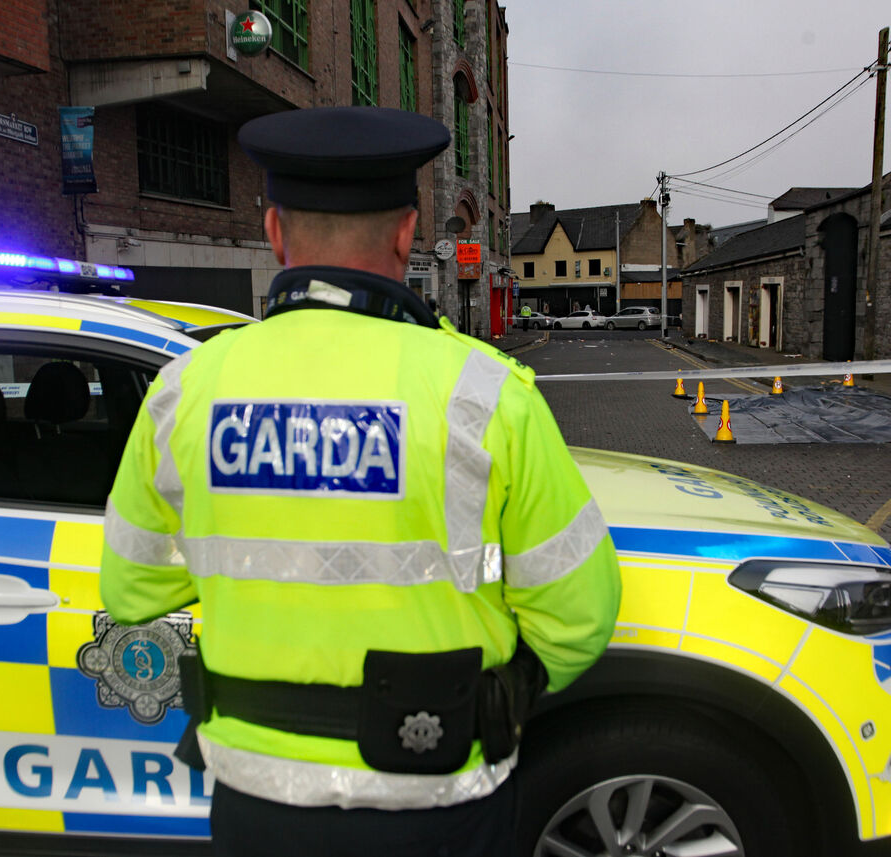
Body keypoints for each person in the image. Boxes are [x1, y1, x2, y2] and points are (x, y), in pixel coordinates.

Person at [99, 106, 622, 857]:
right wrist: (496, 693)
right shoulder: (485, 394)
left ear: (275, 231)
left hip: (256, 796)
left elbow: (132, 590)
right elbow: (580, 615)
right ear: (409, 234)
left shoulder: (186, 391)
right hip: (437, 795)